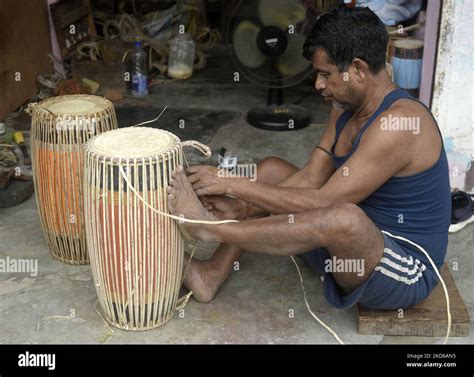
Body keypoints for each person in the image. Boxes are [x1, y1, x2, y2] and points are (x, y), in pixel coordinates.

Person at [166, 7, 451, 310]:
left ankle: (210, 229)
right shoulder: (345, 104)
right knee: (273, 170)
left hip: (398, 270)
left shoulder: (399, 125)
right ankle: (209, 274)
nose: (317, 85)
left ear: (357, 68)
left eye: (326, 74)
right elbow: (312, 177)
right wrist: (242, 205)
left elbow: (324, 203)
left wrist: (230, 183)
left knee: (344, 218)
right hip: (339, 248)